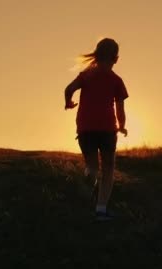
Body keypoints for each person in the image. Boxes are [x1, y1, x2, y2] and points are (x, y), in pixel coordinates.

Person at [64, 38, 129, 221]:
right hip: (107, 129)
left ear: (96, 54)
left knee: (92, 166)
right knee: (108, 169)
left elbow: (69, 89)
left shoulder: (86, 75)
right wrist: (122, 126)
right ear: (116, 59)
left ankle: (88, 178)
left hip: (85, 129)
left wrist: (68, 102)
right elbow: (120, 108)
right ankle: (101, 210)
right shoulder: (117, 80)